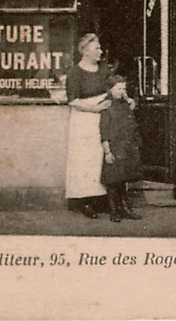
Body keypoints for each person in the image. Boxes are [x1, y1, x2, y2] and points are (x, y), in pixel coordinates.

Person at [64, 33, 112, 219]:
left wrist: (126, 98)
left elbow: (113, 87)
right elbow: (73, 100)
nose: (100, 52)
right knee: (83, 159)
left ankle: (101, 198)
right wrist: (94, 108)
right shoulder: (75, 73)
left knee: (99, 157)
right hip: (83, 120)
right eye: (96, 48)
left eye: (100, 48)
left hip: (102, 118)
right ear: (84, 50)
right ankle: (85, 201)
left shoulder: (103, 70)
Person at [100, 74, 143, 222]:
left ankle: (125, 208)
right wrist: (107, 151)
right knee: (113, 181)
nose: (121, 91)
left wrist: (127, 98)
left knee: (123, 179)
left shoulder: (125, 105)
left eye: (123, 89)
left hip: (127, 146)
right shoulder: (106, 106)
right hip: (114, 147)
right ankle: (114, 210)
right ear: (110, 89)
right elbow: (104, 130)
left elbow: (132, 117)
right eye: (118, 89)